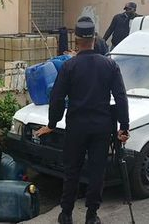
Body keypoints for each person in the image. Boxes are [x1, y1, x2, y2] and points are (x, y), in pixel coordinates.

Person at [35, 18, 130, 224]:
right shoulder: (110, 65)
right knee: (97, 171)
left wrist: (52, 124)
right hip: (102, 128)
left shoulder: (69, 67)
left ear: (76, 40)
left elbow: (57, 98)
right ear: (94, 39)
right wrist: (124, 127)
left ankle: (66, 214)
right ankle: (91, 216)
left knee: (72, 171)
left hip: (77, 127)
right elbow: (121, 97)